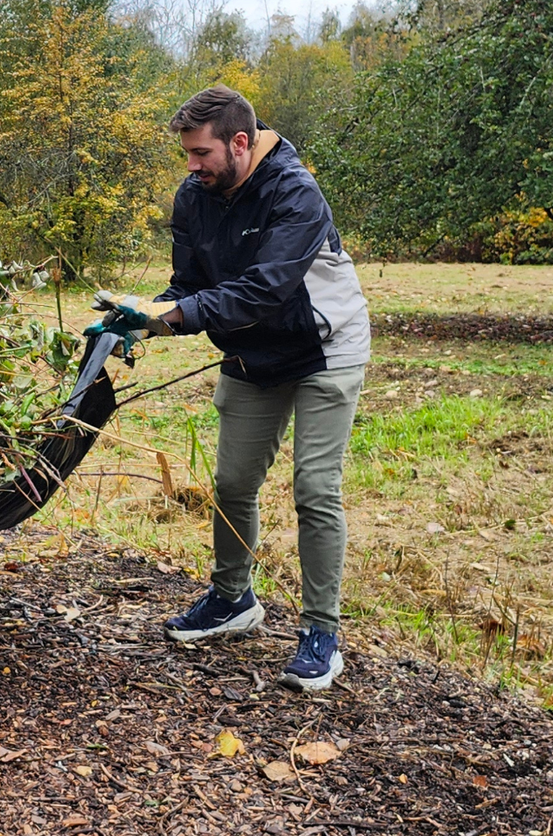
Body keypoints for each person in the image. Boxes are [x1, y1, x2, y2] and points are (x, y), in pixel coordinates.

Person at [90, 85, 371, 691]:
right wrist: (138, 319)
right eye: (187, 155)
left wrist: (175, 315)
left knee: (315, 488)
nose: (191, 166)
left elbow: (264, 290)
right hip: (250, 353)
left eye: (200, 153)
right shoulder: (196, 196)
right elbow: (188, 284)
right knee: (233, 482)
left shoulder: (295, 193)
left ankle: (321, 632)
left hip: (324, 349)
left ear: (240, 144)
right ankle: (232, 599)